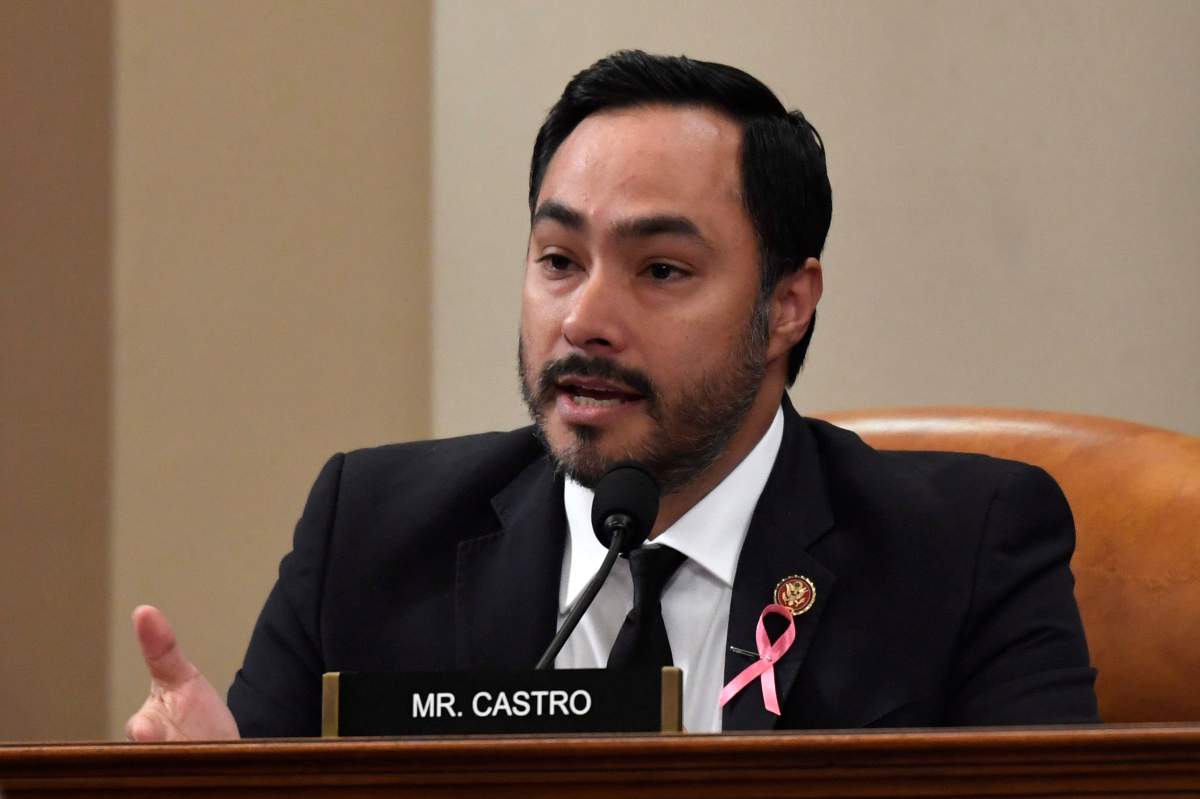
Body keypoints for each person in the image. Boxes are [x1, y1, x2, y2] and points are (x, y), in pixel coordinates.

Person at [126, 50, 1099, 740]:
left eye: (662, 270)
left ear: (788, 303)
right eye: (558, 259)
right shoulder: (371, 534)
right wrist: (218, 789)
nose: (584, 318)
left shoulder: (965, 550)